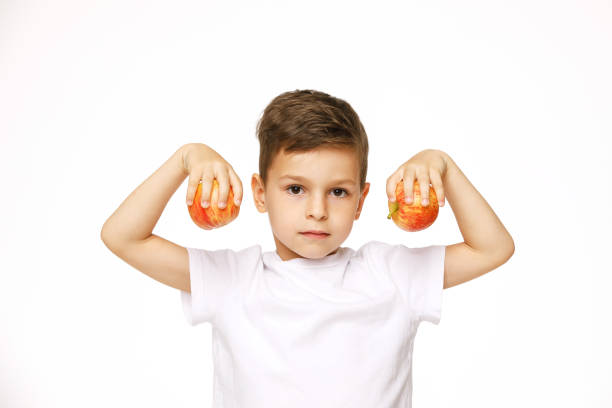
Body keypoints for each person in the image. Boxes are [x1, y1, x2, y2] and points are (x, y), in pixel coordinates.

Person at [101, 89, 515, 408]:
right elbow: (122, 236)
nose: (317, 211)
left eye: (337, 191)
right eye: (296, 189)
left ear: (360, 201)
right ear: (260, 194)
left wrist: (441, 163)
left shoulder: (389, 273)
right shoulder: (233, 279)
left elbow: (492, 248)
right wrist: (185, 158)